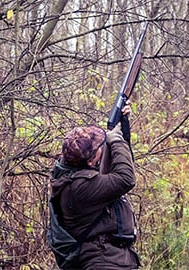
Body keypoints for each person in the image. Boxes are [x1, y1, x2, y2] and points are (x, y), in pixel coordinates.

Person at [50, 103, 140, 269]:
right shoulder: (80, 187)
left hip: (113, 258)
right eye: (99, 148)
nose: (102, 147)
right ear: (90, 161)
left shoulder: (75, 172)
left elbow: (120, 166)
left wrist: (123, 129)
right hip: (103, 261)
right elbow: (125, 178)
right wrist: (115, 139)